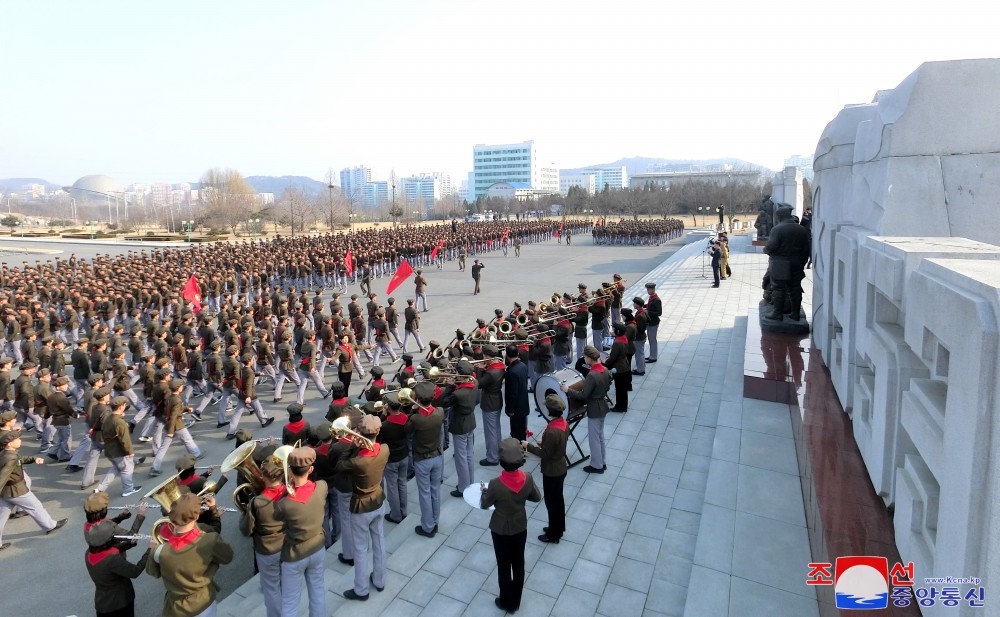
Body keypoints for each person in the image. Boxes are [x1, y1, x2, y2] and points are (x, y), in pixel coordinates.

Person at [146, 492, 234, 617]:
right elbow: (227, 557)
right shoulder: (209, 540)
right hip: (203, 603)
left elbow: (152, 572)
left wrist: (152, 549)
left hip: (176, 609)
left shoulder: (159, 551)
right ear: (197, 516)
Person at [480, 438, 541, 613]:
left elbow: (486, 504)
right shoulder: (528, 478)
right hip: (520, 525)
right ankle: (516, 600)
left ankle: (507, 601)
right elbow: (536, 497)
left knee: (504, 565)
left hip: (499, 529)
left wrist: (485, 493)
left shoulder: (495, 483)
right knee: (519, 563)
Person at [337, 415, 390, 601]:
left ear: (361, 433)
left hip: (361, 506)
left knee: (360, 549)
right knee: (379, 541)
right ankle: (379, 580)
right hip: (378, 500)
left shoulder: (357, 461)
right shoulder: (384, 449)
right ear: (378, 432)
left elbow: (340, 465)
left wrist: (352, 445)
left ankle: (361, 590)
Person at [274, 446, 327, 617]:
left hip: (294, 554)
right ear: (311, 469)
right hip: (318, 547)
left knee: (290, 602)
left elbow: (277, 515)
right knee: (317, 590)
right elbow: (312, 487)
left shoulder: (284, 503)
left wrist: (287, 488)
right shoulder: (322, 487)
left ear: (289, 470)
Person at [0, 430, 68, 549]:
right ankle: (50, 526)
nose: (20, 440)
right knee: (36, 506)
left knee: (1, 517)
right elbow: (3, 477)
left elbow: (20, 459)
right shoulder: (11, 458)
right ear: (9, 444)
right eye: (17, 439)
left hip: (6, 492)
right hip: (17, 491)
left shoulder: (6, 453)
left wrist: (33, 459)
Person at [238, 457, 286, 617]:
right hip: (288, 543)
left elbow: (246, 530)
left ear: (263, 477)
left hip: (267, 548)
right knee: (286, 582)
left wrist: (245, 512)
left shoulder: (256, 502)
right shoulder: (288, 490)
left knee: (271, 588)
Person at [524, 395, 568, 543]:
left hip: (552, 470)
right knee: (558, 500)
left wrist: (528, 446)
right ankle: (558, 528)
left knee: (552, 503)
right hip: (560, 466)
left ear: (550, 411)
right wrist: (546, 443)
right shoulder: (562, 423)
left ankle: (553, 534)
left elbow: (546, 455)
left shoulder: (552, 431)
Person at [84, 518, 150, 617]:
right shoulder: (112, 560)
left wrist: (129, 543)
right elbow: (135, 571)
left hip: (102, 603)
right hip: (119, 603)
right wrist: (150, 550)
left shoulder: (89, 552)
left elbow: (110, 551)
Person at [562, 346, 610, 474]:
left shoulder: (592, 375)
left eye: (585, 357)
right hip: (602, 405)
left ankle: (597, 465)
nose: (584, 359)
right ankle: (602, 461)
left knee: (594, 438)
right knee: (600, 436)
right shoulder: (604, 370)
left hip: (594, 408)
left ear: (589, 358)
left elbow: (583, 395)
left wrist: (568, 390)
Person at [407, 381, 443, 538]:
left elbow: (406, 430)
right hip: (437, 456)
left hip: (422, 459)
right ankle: (435, 521)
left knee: (425, 493)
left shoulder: (416, 419)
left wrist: (411, 410)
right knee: (435, 490)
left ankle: (427, 527)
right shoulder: (440, 412)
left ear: (419, 399)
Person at [443, 359, 477, 498]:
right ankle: (470, 482)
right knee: (469, 455)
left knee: (461, 457)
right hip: (470, 422)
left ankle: (463, 487)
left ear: (463, 376)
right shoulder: (475, 383)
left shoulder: (458, 394)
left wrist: (450, 386)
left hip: (460, 425)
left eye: (457, 374)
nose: (455, 376)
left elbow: (443, 402)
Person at [97, 395, 142, 497]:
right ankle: (128, 489)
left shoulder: (108, 418)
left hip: (109, 451)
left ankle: (100, 488)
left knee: (115, 469)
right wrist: (130, 452)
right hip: (118, 451)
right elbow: (125, 440)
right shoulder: (119, 422)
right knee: (127, 469)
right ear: (121, 407)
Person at [377, 393, 409, 523]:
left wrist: (383, 415)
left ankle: (396, 515)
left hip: (391, 460)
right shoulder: (407, 418)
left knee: (392, 487)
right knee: (402, 483)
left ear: (388, 408)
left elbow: (377, 437)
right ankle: (403, 510)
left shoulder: (385, 425)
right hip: (404, 455)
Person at [477, 345, 505, 467]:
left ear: (487, 356)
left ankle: (492, 458)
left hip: (489, 402)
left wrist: (479, 369)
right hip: (496, 400)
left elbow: (478, 384)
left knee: (490, 432)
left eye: (484, 356)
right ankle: (498, 452)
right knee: (496, 429)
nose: (483, 358)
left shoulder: (491, 372)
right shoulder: (499, 366)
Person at [503, 345, 529, 442]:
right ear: (518, 354)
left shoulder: (511, 372)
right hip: (523, 404)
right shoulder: (523, 366)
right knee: (522, 430)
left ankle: (519, 453)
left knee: (517, 433)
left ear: (507, 356)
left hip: (516, 409)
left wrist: (510, 409)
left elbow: (512, 393)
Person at [605, 323, 631, 412]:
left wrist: (604, 363)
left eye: (614, 329)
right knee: (623, 389)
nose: (612, 330)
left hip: (619, 368)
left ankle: (620, 407)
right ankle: (623, 406)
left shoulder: (617, 343)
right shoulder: (623, 338)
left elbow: (613, 357)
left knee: (619, 389)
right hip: (624, 365)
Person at [644, 283, 662, 363]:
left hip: (653, 322)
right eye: (647, 289)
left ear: (653, 289)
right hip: (650, 322)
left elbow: (659, 313)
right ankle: (651, 355)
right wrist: (644, 306)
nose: (648, 291)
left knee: (652, 340)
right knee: (650, 339)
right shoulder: (651, 298)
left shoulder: (657, 300)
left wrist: (648, 312)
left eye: (649, 289)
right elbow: (649, 306)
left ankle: (653, 357)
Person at [631, 298, 648, 376]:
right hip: (641, 337)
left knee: (639, 354)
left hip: (639, 338)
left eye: (634, 303)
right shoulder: (642, 311)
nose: (633, 304)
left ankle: (640, 370)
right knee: (640, 353)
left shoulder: (640, 315)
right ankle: (641, 367)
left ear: (637, 304)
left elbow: (640, 329)